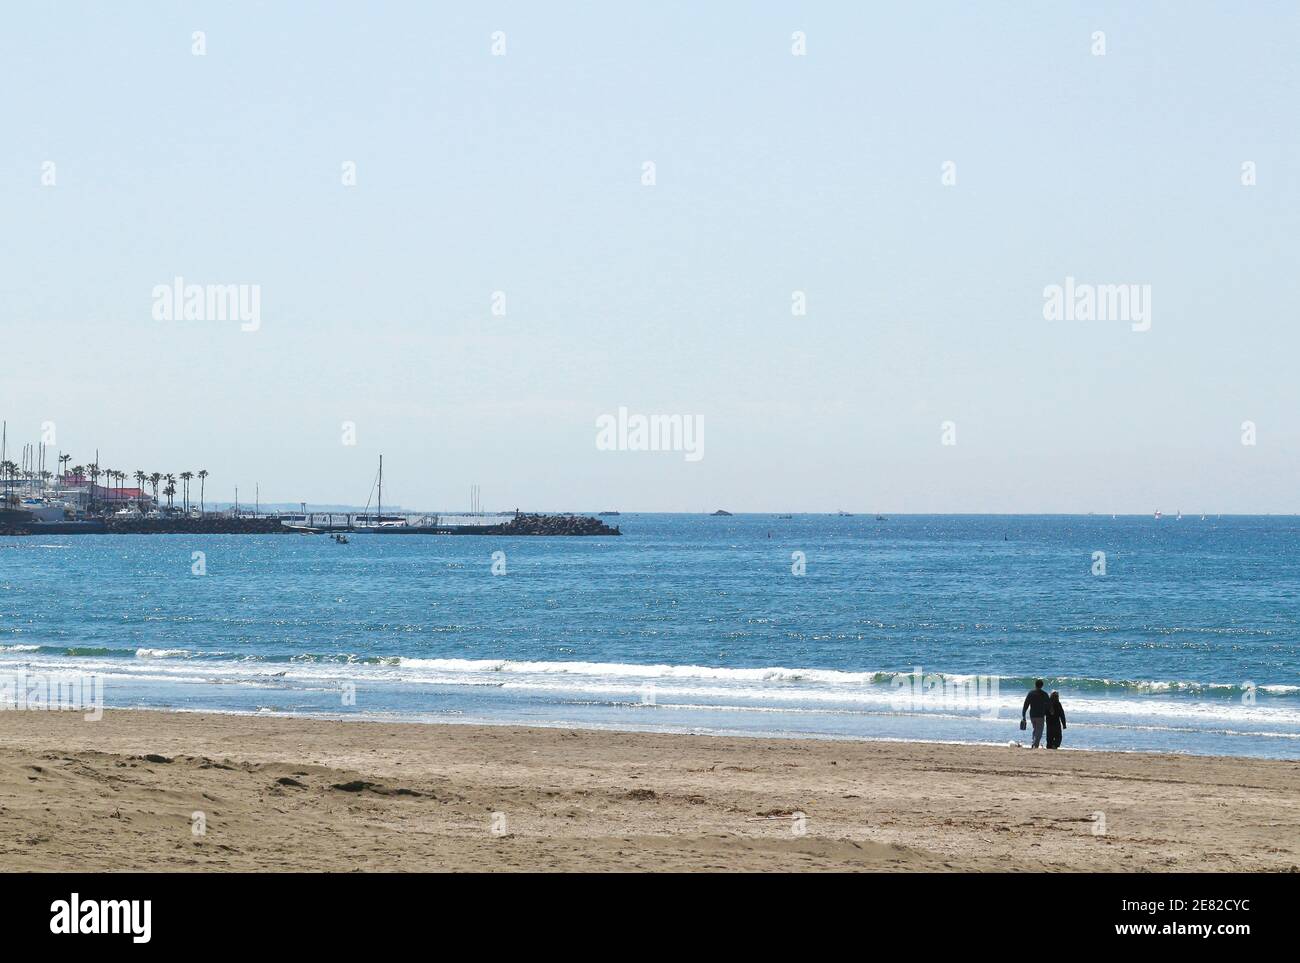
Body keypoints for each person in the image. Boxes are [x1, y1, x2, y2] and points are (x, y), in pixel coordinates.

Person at [1021, 679, 1050, 748]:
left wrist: (1024, 716)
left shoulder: (1031, 693)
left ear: (1035, 685)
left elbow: (1025, 705)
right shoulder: (1044, 694)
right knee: (1039, 732)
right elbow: (1049, 705)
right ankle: (1035, 745)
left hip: (1032, 715)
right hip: (1040, 715)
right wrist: (1050, 712)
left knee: (1035, 729)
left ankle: (1033, 742)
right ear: (1042, 685)